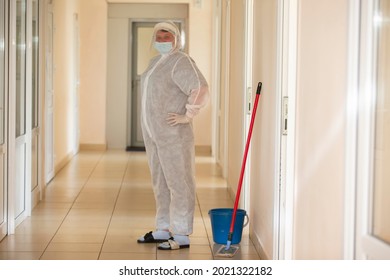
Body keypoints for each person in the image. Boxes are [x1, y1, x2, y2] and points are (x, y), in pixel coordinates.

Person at [137, 21, 209, 250]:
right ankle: (162, 228)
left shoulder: (181, 61)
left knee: (179, 183)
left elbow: (200, 88)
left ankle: (181, 234)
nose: (163, 41)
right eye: (159, 37)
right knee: (160, 182)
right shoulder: (155, 63)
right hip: (154, 134)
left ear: (176, 39)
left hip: (174, 135)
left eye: (168, 37)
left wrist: (188, 116)